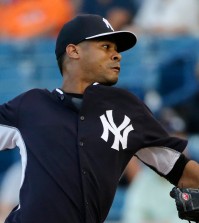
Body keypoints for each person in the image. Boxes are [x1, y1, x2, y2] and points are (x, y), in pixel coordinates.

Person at [0, 14, 199, 223]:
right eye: (106, 47)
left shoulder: (125, 108)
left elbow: (179, 169)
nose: (117, 55)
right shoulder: (31, 106)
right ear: (73, 51)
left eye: (116, 49)